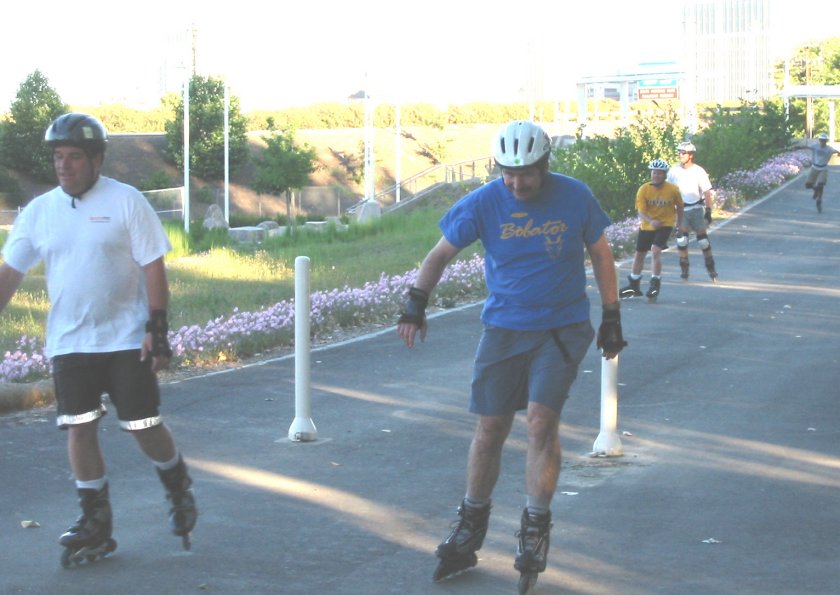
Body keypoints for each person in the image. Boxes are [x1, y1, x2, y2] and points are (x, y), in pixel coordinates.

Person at [396, 120, 627, 585]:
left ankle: (535, 526)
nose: (517, 183)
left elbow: (602, 254)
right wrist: (415, 303)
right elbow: (440, 253)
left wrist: (612, 315)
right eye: (508, 173)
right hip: (503, 329)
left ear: (544, 167)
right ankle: (470, 527)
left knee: (541, 421)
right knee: (491, 427)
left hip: (561, 329)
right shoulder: (484, 201)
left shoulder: (575, 195)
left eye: (526, 174)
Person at [0, 113, 197, 564]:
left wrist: (158, 330)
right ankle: (95, 521)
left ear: (97, 159)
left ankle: (177, 483)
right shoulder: (39, 212)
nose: (63, 166)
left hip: (126, 337)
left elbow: (153, 266)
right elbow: (9, 275)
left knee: (143, 425)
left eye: (73, 157)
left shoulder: (125, 201)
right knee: (79, 427)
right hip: (70, 342)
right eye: (57, 157)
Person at [620, 159, 685, 302]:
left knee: (655, 250)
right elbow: (641, 212)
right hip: (647, 226)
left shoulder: (673, 190)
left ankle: (655, 284)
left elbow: (680, 207)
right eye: (654, 173)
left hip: (665, 224)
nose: (656, 176)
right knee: (639, 254)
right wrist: (651, 221)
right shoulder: (644, 189)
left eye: (659, 173)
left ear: (664, 175)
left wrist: (680, 224)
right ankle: (634, 285)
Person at [667, 140, 718, 281]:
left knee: (703, 241)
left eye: (683, 153)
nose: (680, 155)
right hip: (681, 210)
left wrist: (708, 210)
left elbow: (707, 192)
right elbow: (669, 191)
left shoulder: (698, 171)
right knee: (682, 240)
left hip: (696, 209)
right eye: (679, 152)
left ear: (690, 155)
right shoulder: (673, 171)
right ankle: (684, 268)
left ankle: (711, 267)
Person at [805, 133, 839, 213]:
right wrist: (796, 147)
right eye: (821, 141)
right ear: (819, 141)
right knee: (808, 185)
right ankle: (815, 190)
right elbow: (806, 146)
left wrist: (838, 153)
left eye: (824, 141)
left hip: (823, 168)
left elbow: (836, 151)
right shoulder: (815, 146)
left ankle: (819, 200)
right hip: (814, 167)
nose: (822, 142)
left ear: (826, 141)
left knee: (821, 184)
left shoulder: (829, 149)